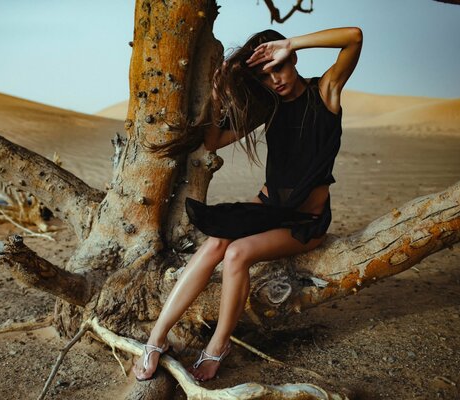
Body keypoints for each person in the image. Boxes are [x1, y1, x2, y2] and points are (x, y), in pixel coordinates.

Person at [133, 27, 363, 382]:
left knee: (237, 253)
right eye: (265, 75)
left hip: (305, 220)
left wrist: (287, 44)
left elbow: (354, 37)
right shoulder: (268, 108)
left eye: (280, 68)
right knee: (215, 244)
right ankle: (155, 339)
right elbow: (213, 141)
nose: (275, 80)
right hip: (268, 206)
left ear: (294, 59)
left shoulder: (326, 92)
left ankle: (217, 347)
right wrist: (215, 94)